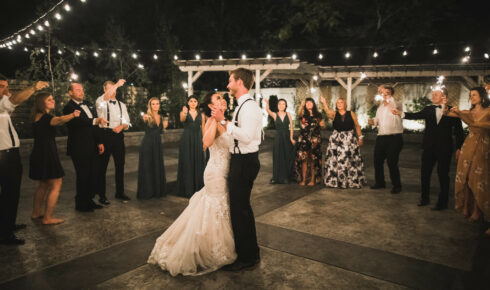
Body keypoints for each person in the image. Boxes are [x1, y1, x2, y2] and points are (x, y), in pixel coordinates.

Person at [148, 93, 236, 276]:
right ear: (211, 105)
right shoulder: (213, 121)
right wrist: (216, 122)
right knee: (214, 207)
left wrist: (223, 123)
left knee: (221, 207)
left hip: (226, 171)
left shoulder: (225, 120)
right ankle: (210, 249)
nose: (222, 99)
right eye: (218, 98)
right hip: (216, 172)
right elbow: (206, 142)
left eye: (222, 97)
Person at [212, 68, 262, 271]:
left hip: (245, 162)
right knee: (241, 209)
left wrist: (223, 121)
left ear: (239, 82)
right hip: (240, 160)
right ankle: (251, 252)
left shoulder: (249, 107)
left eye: (230, 80)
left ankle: (247, 257)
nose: (227, 84)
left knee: (240, 210)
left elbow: (248, 136)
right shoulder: (243, 105)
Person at [392, 87, 464, 209]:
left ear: (443, 96)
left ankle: (443, 202)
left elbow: (459, 131)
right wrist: (401, 113)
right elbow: (415, 115)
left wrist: (459, 147)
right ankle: (424, 198)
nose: (433, 96)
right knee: (425, 173)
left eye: (436, 94)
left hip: (444, 148)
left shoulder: (453, 111)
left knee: (443, 175)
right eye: (433, 94)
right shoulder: (428, 109)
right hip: (428, 147)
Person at [0, 76, 48, 245]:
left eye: (6, 87)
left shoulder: (3, 102)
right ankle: (4, 233)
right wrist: (34, 87)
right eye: (2, 87)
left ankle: (8, 224)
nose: (6, 90)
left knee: (12, 192)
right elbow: (14, 100)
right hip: (2, 155)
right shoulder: (3, 103)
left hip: (11, 153)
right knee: (7, 193)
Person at [444, 86, 490, 236]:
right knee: (466, 176)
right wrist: (446, 105)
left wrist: (474, 123)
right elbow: (447, 113)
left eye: (475, 95)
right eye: (471, 95)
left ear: (482, 96)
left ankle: (478, 210)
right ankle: (467, 206)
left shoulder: (488, 111)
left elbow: (485, 125)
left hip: (483, 146)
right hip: (468, 145)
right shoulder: (469, 112)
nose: (472, 98)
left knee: (478, 179)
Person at [30, 92, 81, 224]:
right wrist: (73, 115)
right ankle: (48, 217)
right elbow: (59, 120)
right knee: (56, 183)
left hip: (38, 152)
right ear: (42, 102)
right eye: (49, 99)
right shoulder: (46, 117)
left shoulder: (37, 116)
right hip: (47, 153)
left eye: (53, 98)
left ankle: (36, 212)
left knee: (43, 183)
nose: (53, 101)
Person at [64, 83, 106, 212]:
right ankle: (81, 204)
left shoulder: (88, 103)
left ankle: (89, 200)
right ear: (70, 93)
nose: (81, 92)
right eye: (77, 90)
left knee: (93, 174)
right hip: (79, 147)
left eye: (82, 89)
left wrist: (99, 142)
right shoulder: (68, 107)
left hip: (92, 145)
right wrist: (96, 120)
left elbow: (94, 125)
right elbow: (79, 122)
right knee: (83, 175)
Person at [95, 79, 131, 204]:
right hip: (105, 135)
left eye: (115, 89)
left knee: (120, 165)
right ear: (105, 90)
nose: (114, 91)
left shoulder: (122, 105)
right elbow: (105, 98)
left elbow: (127, 122)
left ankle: (120, 192)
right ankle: (102, 195)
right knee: (102, 167)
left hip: (118, 136)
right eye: (111, 89)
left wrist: (121, 126)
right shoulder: (101, 101)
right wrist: (116, 84)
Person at [320, 96, 366, 188]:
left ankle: (350, 181)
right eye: (338, 103)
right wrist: (324, 103)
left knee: (349, 159)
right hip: (336, 140)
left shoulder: (351, 113)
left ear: (345, 104)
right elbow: (327, 112)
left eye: (341, 102)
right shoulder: (334, 114)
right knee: (336, 160)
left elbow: (357, 126)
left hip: (349, 140)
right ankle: (336, 181)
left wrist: (360, 138)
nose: (339, 104)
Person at [368, 86, 403, 194]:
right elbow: (377, 121)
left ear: (391, 94)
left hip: (394, 137)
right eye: (383, 93)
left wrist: (386, 93)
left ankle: (397, 185)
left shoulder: (397, 104)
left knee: (392, 162)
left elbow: (394, 104)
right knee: (377, 161)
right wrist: (372, 121)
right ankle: (380, 182)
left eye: (387, 93)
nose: (384, 95)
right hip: (381, 137)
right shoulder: (380, 108)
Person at [137, 97, 168, 199]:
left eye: (157, 103)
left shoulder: (161, 116)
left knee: (156, 166)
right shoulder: (147, 116)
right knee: (147, 167)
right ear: (150, 106)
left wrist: (164, 126)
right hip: (148, 145)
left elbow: (161, 131)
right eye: (153, 104)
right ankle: (147, 192)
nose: (155, 106)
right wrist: (143, 118)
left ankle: (157, 191)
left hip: (157, 145)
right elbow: (142, 120)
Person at [175, 95, 206, 197]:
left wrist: (205, 141)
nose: (193, 103)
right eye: (191, 101)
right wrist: (184, 112)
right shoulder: (183, 112)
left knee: (197, 160)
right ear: (188, 103)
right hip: (187, 139)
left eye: (195, 101)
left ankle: (197, 187)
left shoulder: (201, 114)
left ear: (197, 103)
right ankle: (187, 188)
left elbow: (203, 128)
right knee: (187, 160)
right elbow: (182, 120)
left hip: (197, 138)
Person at [264, 97, 295, 184]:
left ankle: (286, 177)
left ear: (285, 106)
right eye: (280, 104)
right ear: (277, 105)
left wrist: (291, 138)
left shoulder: (288, 114)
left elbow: (291, 127)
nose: (281, 106)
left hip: (286, 136)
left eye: (283, 104)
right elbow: (268, 110)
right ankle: (276, 177)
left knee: (286, 156)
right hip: (278, 137)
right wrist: (267, 103)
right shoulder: (275, 114)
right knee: (278, 156)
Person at [295, 97, 325, 186]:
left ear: (313, 104)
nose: (308, 104)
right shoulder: (302, 114)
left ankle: (313, 180)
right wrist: (301, 104)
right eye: (307, 103)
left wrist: (322, 125)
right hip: (304, 140)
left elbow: (323, 126)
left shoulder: (318, 115)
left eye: (310, 103)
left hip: (314, 140)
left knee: (313, 160)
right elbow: (298, 113)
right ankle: (303, 180)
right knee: (304, 159)